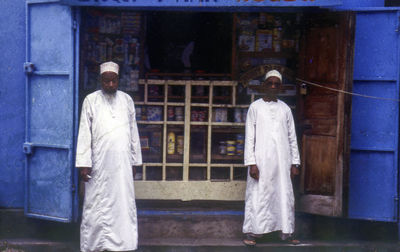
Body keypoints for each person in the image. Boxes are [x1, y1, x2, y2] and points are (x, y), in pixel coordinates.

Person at [76, 61, 142, 252]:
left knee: (123, 204)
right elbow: (84, 134)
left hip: (122, 165)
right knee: (96, 205)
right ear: (100, 81)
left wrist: (135, 160)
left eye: (113, 81)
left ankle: (124, 245)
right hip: (99, 164)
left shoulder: (127, 100)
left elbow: (133, 132)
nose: (110, 85)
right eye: (106, 81)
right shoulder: (90, 100)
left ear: (118, 80)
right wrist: (84, 164)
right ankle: (96, 246)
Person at [242, 70, 301, 246]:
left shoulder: (285, 109)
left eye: (277, 84)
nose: (273, 87)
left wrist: (295, 162)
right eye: (270, 83)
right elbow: (249, 137)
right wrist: (251, 163)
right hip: (261, 161)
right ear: (264, 85)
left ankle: (287, 233)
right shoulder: (255, 107)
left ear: (280, 87)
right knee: (259, 194)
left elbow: (292, 137)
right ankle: (252, 233)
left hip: (283, 161)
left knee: (283, 195)